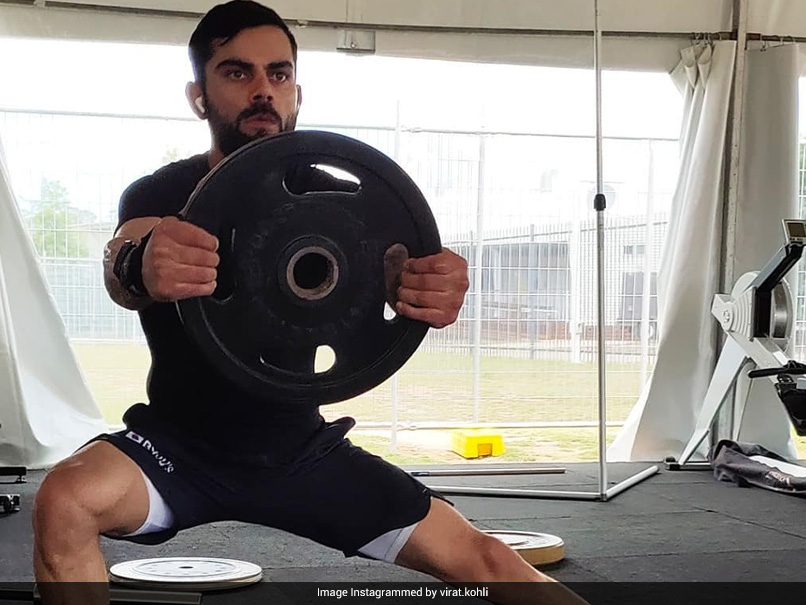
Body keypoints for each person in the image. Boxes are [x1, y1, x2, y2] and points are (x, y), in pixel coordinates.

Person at [32, 3, 583, 604]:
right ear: (199, 96)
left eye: (280, 73)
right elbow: (125, 261)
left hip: (302, 455)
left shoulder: (341, 202)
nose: (264, 90)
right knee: (64, 500)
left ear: (298, 92)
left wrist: (434, 284)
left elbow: (400, 269)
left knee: (490, 561)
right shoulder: (161, 193)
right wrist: (139, 262)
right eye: (238, 73)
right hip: (178, 449)